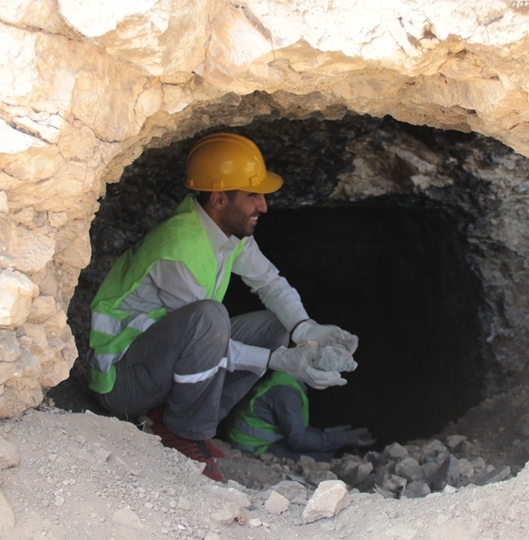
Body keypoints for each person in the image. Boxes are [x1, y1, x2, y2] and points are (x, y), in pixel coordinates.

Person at [86, 132, 358, 481]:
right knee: (211, 318)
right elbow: (206, 341)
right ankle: (185, 433)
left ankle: (191, 422)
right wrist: (280, 361)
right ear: (218, 198)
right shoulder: (179, 248)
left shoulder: (227, 233)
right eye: (252, 196)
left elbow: (270, 283)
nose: (264, 206)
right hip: (120, 380)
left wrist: (306, 328)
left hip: (154, 363)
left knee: (275, 325)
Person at [226, 370, 376, 462]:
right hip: (252, 447)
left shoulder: (285, 378)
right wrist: (343, 439)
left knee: (325, 447)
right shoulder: (287, 393)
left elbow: (293, 428)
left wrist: (326, 434)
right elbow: (298, 440)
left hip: (249, 439)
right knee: (327, 456)